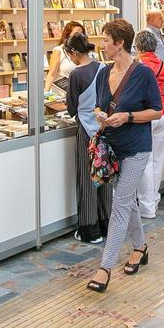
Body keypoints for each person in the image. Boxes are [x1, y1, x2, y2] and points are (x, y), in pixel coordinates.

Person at [86, 19, 163, 293]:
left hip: (137, 148)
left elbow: (156, 110)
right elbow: (97, 105)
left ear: (119, 44)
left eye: (105, 40)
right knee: (126, 200)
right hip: (112, 147)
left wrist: (128, 116)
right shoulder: (104, 72)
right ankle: (140, 247)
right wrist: (100, 114)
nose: (102, 44)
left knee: (119, 203)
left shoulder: (143, 74)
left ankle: (104, 268)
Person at [64, 32, 111, 244]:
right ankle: (106, 222)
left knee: (86, 177)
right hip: (102, 127)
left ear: (74, 52)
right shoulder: (103, 67)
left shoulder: (76, 75)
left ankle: (89, 229)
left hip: (84, 128)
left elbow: (71, 107)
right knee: (104, 175)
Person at [134, 30, 164, 220]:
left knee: (146, 161)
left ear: (138, 46)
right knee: (158, 159)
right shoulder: (161, 63)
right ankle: (154, 199)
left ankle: (147, 206)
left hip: (148, 114)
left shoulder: (139, 64)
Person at [45, 21, 86, 94]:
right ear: (68, 35)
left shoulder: (84, 52)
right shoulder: (59, 51)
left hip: (80, 95)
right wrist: (45, 94)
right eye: (76, 33)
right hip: (62, 95)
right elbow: (51, 75)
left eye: (82, 33)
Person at [142, 10, 164, 77]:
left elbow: (163, 51)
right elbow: (145, 55)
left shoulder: (158, 32)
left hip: (162, 72)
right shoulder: (147, 34)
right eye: (160, 18)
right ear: (151, 20)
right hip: (154, 72)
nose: (163, 20)